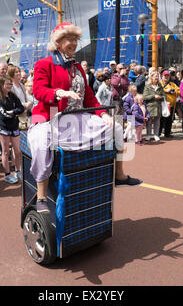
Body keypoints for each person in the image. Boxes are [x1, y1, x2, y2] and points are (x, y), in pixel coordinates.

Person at [29, 21, 142, 213]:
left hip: (78, 117)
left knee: (115, 127)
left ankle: (119, 176)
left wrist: (103, 113)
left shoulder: (77, 67)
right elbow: (39, 90)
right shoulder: (44, 64)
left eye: (75, 39)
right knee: (41, 141)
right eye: (68, 39)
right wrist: (59, 93)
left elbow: (89, 96)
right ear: (58, 43)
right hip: (52, 116)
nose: (73, 43)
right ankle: (41, 196)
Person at [0, 75, 24, 184]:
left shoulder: (12, 95)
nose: (9, 86)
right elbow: (3, 115)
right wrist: (13, 113)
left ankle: (17, 171)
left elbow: (21, 108)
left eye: (10, 84)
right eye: (7, 84)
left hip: (14, 126)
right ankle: (7, 174)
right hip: (4, 128)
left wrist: (13, 112)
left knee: (17, 150)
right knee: (6, 151)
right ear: (1, 85)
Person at [143, 71, 165, 142]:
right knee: (149, 123)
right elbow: (144, 97)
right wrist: (153, 96)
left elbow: (164, 96)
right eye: (155, 76)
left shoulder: (160, 86)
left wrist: (160, 97)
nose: (157, 78)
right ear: (151, 77)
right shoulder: (147, 86)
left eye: (157, 76)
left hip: (158, 107)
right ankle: (148, 135)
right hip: (150, 107)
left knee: (157, 122)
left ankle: (156, 135)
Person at [159, 70, 180, 138]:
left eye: (168, 76)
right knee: (161, 120)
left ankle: (167, 133)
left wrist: (173, 92)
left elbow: (178, 91)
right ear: (162, 76)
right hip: (161, 104)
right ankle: (158, 133)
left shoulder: (172, 84)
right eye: (165, 75)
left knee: (169, 119)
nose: (166, 77)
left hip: (170, 105)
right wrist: (166, 91)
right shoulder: (159, 83)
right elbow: (158, 90)